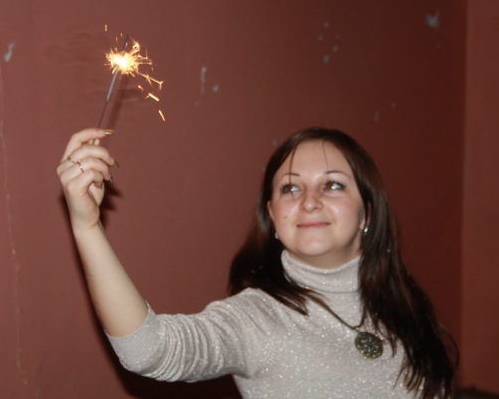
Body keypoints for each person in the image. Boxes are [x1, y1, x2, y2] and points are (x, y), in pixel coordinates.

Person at [58, 127, 457, 398]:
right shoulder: (257, 319)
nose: (310, 201)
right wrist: (87, 228)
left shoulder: (404, 307)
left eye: (333, 185)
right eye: (291, 188)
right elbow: (148, 350)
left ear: (367, 211)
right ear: (273, 216)